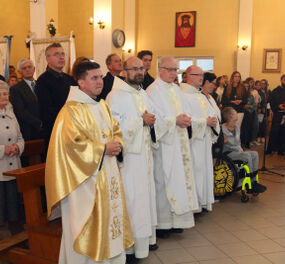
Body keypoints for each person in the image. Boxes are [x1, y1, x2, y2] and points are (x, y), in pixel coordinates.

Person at [45, 61, 134, 264]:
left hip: (107, 174)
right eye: (94, 78)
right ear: (81, 82)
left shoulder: (102, 106)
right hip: (84, 183)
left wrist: (118, 143)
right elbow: (70, 145)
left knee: (109, 221)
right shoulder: (70, 111)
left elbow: (115, 130)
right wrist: (102, 149)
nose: (100, 82)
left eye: (100, 77)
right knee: (87, 226)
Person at [107, 57, 158, 264]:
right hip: (128, 160)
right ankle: (128, 248)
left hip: (144, 156)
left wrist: (152, 121)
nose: (140, 71)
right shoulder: (115, 95)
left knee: (144, 199)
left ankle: (143, 242)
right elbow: (113, 126)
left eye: (141, 68)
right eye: (134, 68)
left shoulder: (142, 93)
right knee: (132, 200)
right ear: (124, 72)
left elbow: (154, 117)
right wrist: (140, 121)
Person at [147, 56, 198, 238]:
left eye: (175, 70)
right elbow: (153, 118)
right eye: (169, 70)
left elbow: (184, 110)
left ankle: (177, 220)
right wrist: (173, 121)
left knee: (178, 180)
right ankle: (162, 224)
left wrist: (185, 119)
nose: (173, 74)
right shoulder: (152, 90)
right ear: (160, 69)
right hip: (164, 144)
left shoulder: (176, 89)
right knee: (163, 181)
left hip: (179, 141)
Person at [181, 68, 219, 212]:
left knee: (204, 170)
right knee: (195, 171)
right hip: (193, 142)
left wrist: (213, 120)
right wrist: (205, 122)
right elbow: (186, 118)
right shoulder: (183, 95)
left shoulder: (200, 95)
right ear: (188, 76)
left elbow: (211, 113)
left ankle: (203, 201)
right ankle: (194, 206)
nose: (202, 78)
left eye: (203, 75)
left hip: (204, 140)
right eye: (198, 75)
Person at [35, 43, 76, 157]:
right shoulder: (43, 81)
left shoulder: (69, 79)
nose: (61, 57)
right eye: (56, 54)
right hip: (55, 132)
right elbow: (46, 112)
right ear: (47, 59)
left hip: (73, 130)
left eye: (63, 54)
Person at [222, 107, 266, 193]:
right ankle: (250, 184)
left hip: (238, 151)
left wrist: (241, 150)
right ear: (231, 116)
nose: (237, 114)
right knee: (247, 156)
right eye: (235, 113)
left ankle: (254, 181)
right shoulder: (221, 129)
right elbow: (230, 144)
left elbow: (238, 143)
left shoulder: (236, 128)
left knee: (255, 154)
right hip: (228, 153)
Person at [0, 80, 24, 234]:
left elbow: (20, 138)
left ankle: (15, 234)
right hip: (1, 168)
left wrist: (17, 147)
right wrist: (3, 149)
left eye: (5, 93)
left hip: (14, 165)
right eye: (0, 94)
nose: (4, 96)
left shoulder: (11, 113)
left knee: (14, 203)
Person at [10, 59, 42, 141]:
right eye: (24, 68)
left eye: (29, 67)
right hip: (29, 130)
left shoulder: (41, 85)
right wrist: (39, 123)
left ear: (34, 69)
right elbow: (20, 112)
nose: (27, 69)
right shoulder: (16, 89)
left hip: (45, 129)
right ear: (19, 72)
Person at [267, 74, 285, 155]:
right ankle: (270, 149)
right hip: (277, 114)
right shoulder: (275, 91)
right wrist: (278, 105)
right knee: (274, 132)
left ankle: (281, 150)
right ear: (281, 80)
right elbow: (271, 101)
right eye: (284, 80)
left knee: (283, 133)